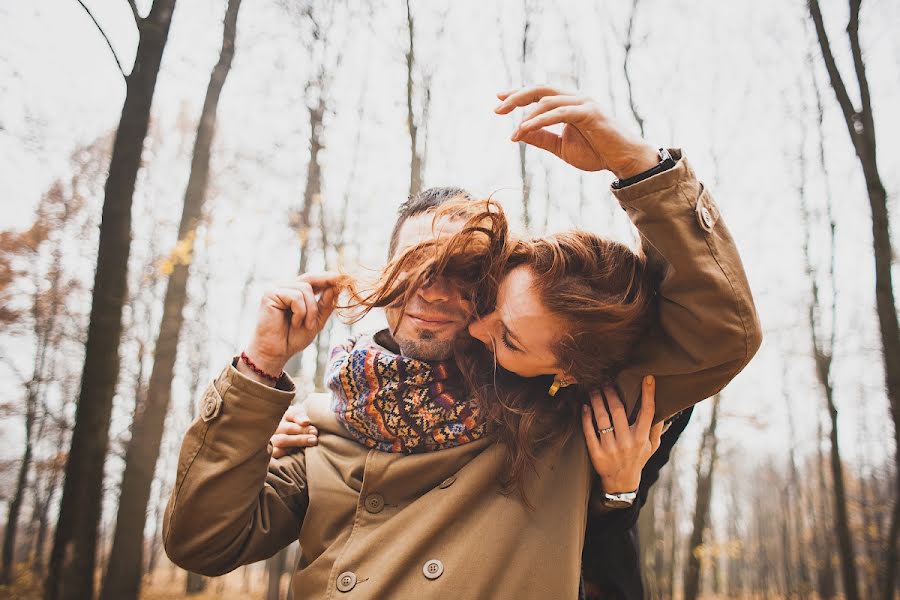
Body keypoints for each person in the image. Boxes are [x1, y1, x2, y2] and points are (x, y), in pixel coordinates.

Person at [164, 86, 761, 599]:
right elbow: (204, 542)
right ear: (387, 274)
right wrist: (261, 369)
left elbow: (719, 330)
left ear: (490, 287)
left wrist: (635, 164)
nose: (432, 288)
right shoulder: (323, 424)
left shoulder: (551, 406)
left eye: (460, 269)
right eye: (416, 262)